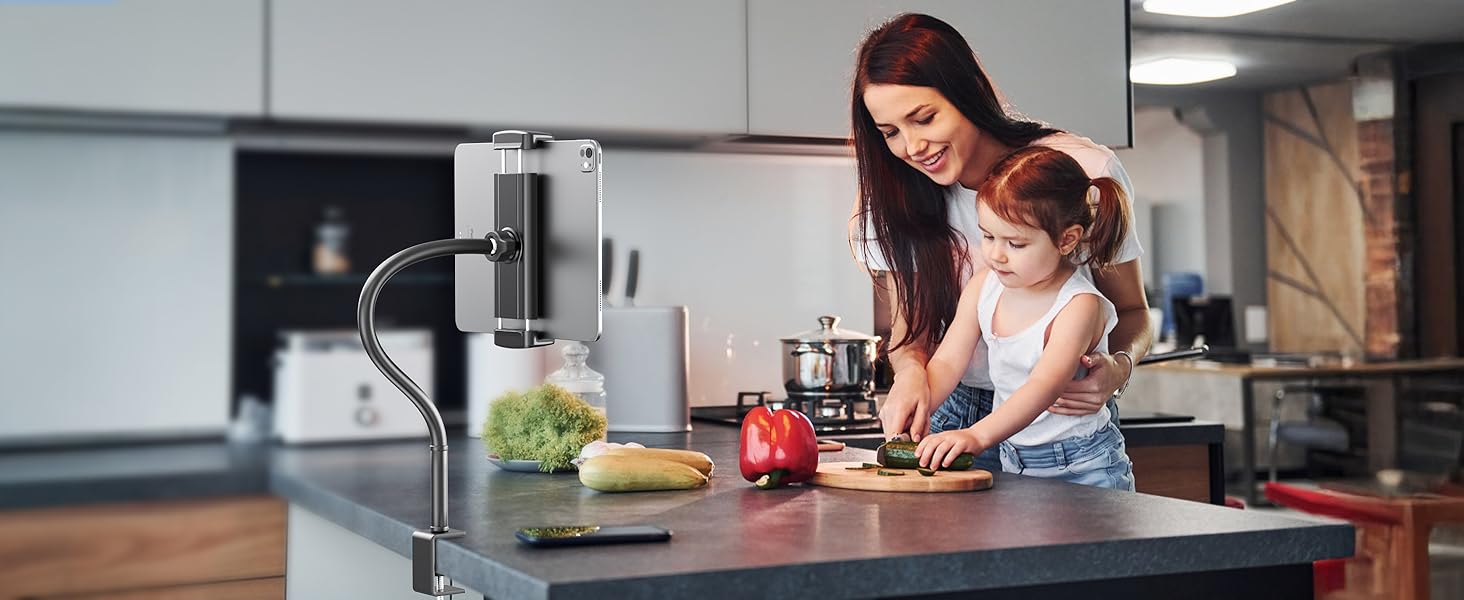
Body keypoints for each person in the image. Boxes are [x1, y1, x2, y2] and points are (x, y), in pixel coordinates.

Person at [849, 13, 1152, 472]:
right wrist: (911, 374)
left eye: (924, 118)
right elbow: (911, 335)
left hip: (1061, 422)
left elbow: (1133, 313)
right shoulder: (895, 199)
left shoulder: (1080, 170)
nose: (911, 146)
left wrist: (1119, 369)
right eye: (890, 132)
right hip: (949, 417)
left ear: (966, 91)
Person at [914, 146, 1134, 489]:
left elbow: (1044, 386)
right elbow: (947, 361)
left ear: (1066, 239)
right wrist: (919, 405)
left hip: (1084, 465)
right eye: (988, 236)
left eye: (1015, 244)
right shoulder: (983, 286)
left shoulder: (1079, 305)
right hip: (1014, 459)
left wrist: (977, 435)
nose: (996, 255)